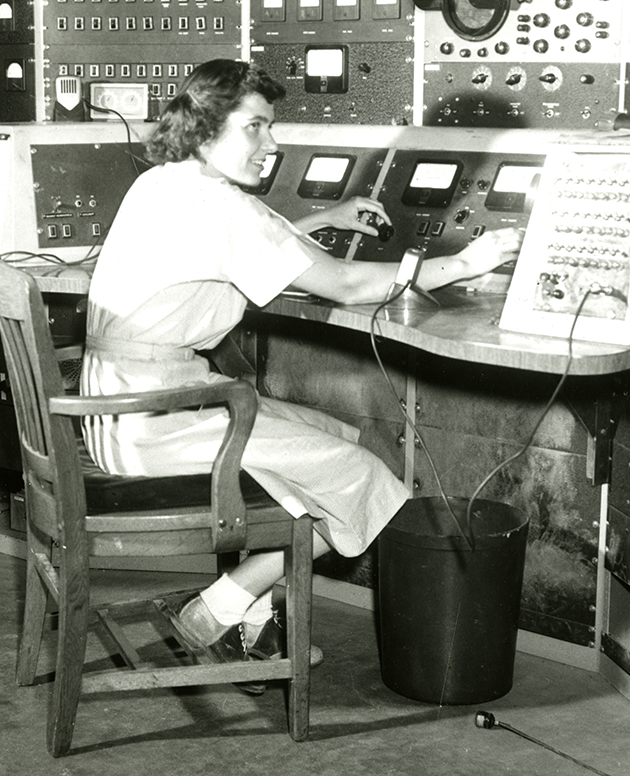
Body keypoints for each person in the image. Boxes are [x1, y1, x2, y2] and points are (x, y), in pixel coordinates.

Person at [80, 59, 522, 682]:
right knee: (366, 481)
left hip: (124, 405)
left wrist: (325, 219)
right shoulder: (216, 203)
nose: (273, 142)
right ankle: (219, 608)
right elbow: (342, 284)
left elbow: (246, 241)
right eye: (255, 127)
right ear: (207, 128)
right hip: (156, 418)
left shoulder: (164, 182)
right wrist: (459, 264)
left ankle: (251, 626)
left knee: (339, 440)